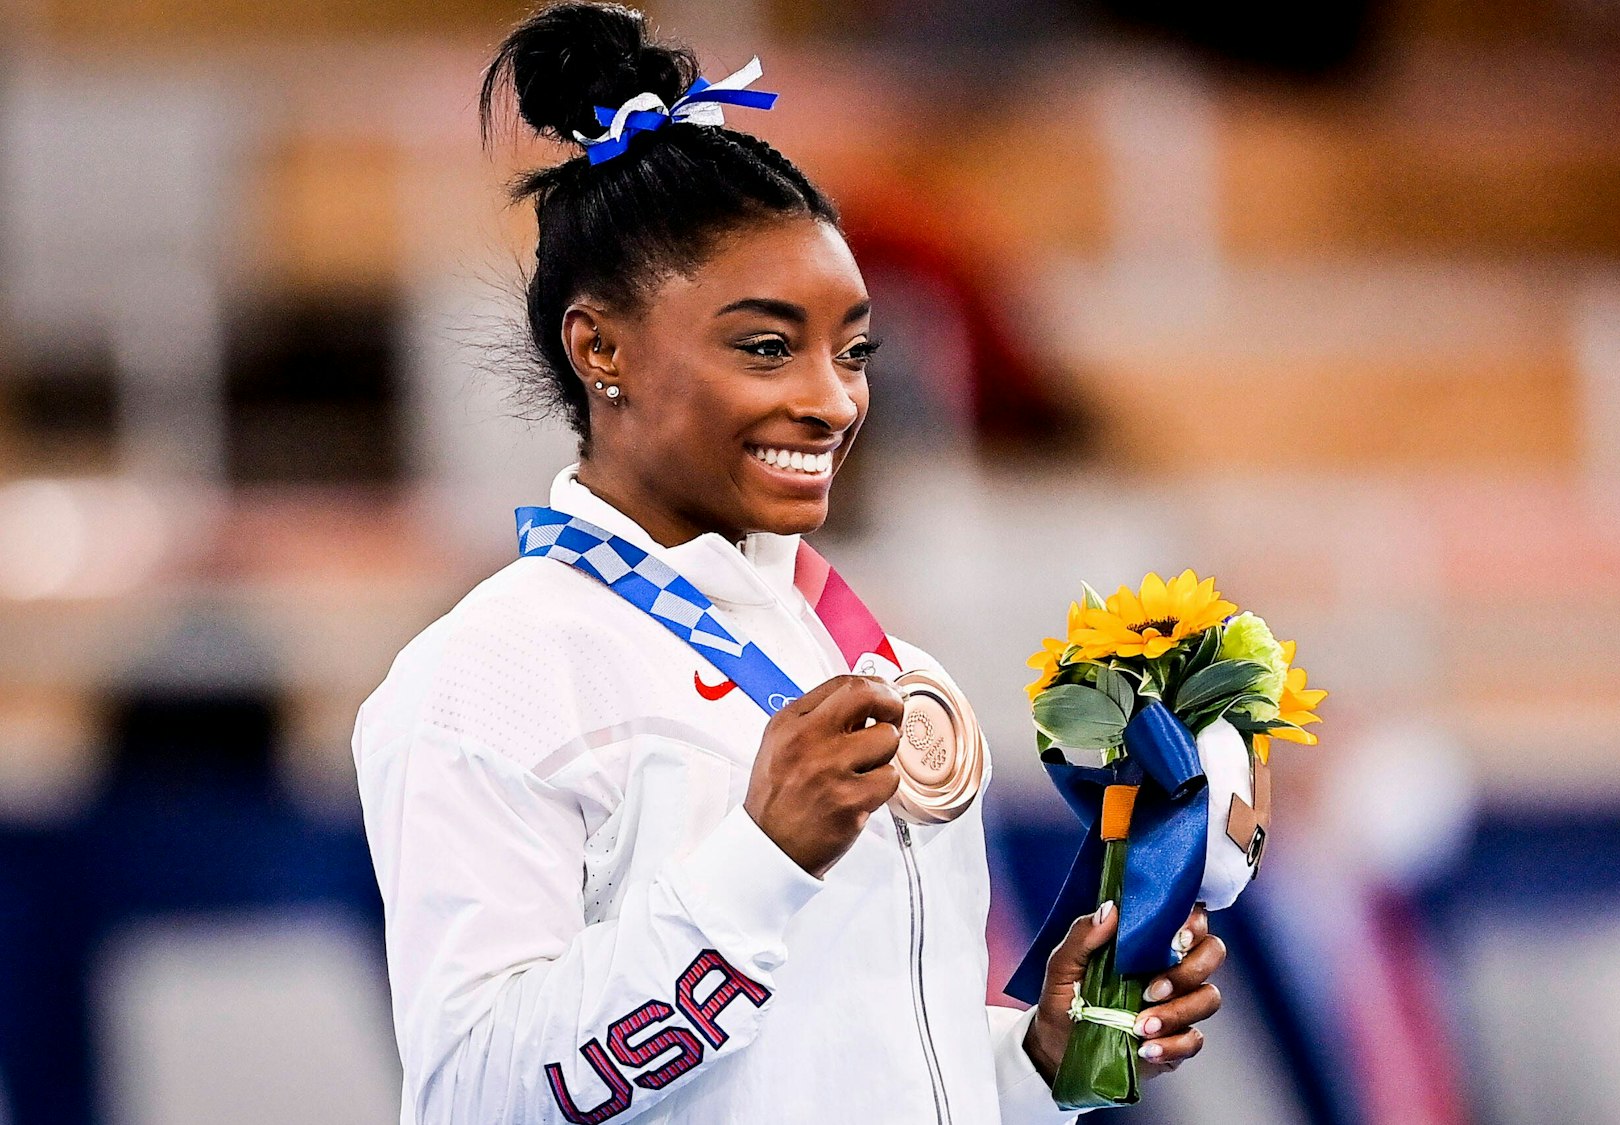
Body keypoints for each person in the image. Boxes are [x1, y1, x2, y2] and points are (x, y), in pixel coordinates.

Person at [349, 4, 1225, 1122]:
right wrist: (759, 862)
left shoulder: (875, 656)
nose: (830, 399)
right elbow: (475, 1097)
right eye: (766, 346)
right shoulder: (493, 673)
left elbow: (846, 1061)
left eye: (852, 349)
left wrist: (1032, 1057)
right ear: (599, 348)